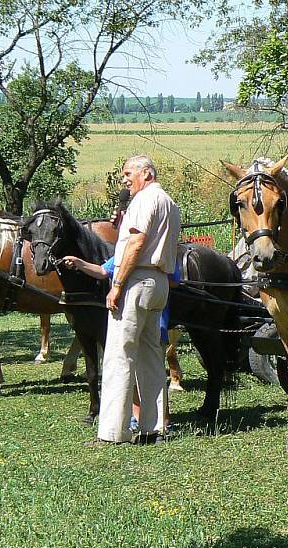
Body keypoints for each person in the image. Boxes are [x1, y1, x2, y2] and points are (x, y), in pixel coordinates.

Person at [85, 154, 181, 447]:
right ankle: (153, 428)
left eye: (128, 174)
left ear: (147, 174)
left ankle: (113, 433)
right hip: (159, 282)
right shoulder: (170, 203)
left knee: (118, 354)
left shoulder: (144, 200)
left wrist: (117, 284)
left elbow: (136, 243)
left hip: (137, 280)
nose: (125, 179)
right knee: (152, 355)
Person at [62, 253, 180, 431]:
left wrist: (133, 277)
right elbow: (102, 271)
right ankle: (136, 416)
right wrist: (79, 263)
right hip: (127, 319)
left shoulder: (158, 253)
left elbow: (174, 280)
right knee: (129, 371)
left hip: (154, 321)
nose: (112, 223)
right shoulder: (124, 252)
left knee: (152, 372)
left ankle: (162, 421)